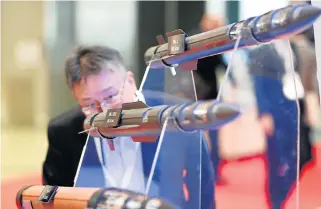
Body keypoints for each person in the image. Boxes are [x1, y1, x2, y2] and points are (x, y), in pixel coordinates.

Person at [42, 45, 215, 209]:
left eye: (110, 96)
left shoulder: (176, 117)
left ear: (130, 81)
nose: (104, 111)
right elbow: (55, 197)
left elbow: (201, 189)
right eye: (89, 104)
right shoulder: (63, 131)